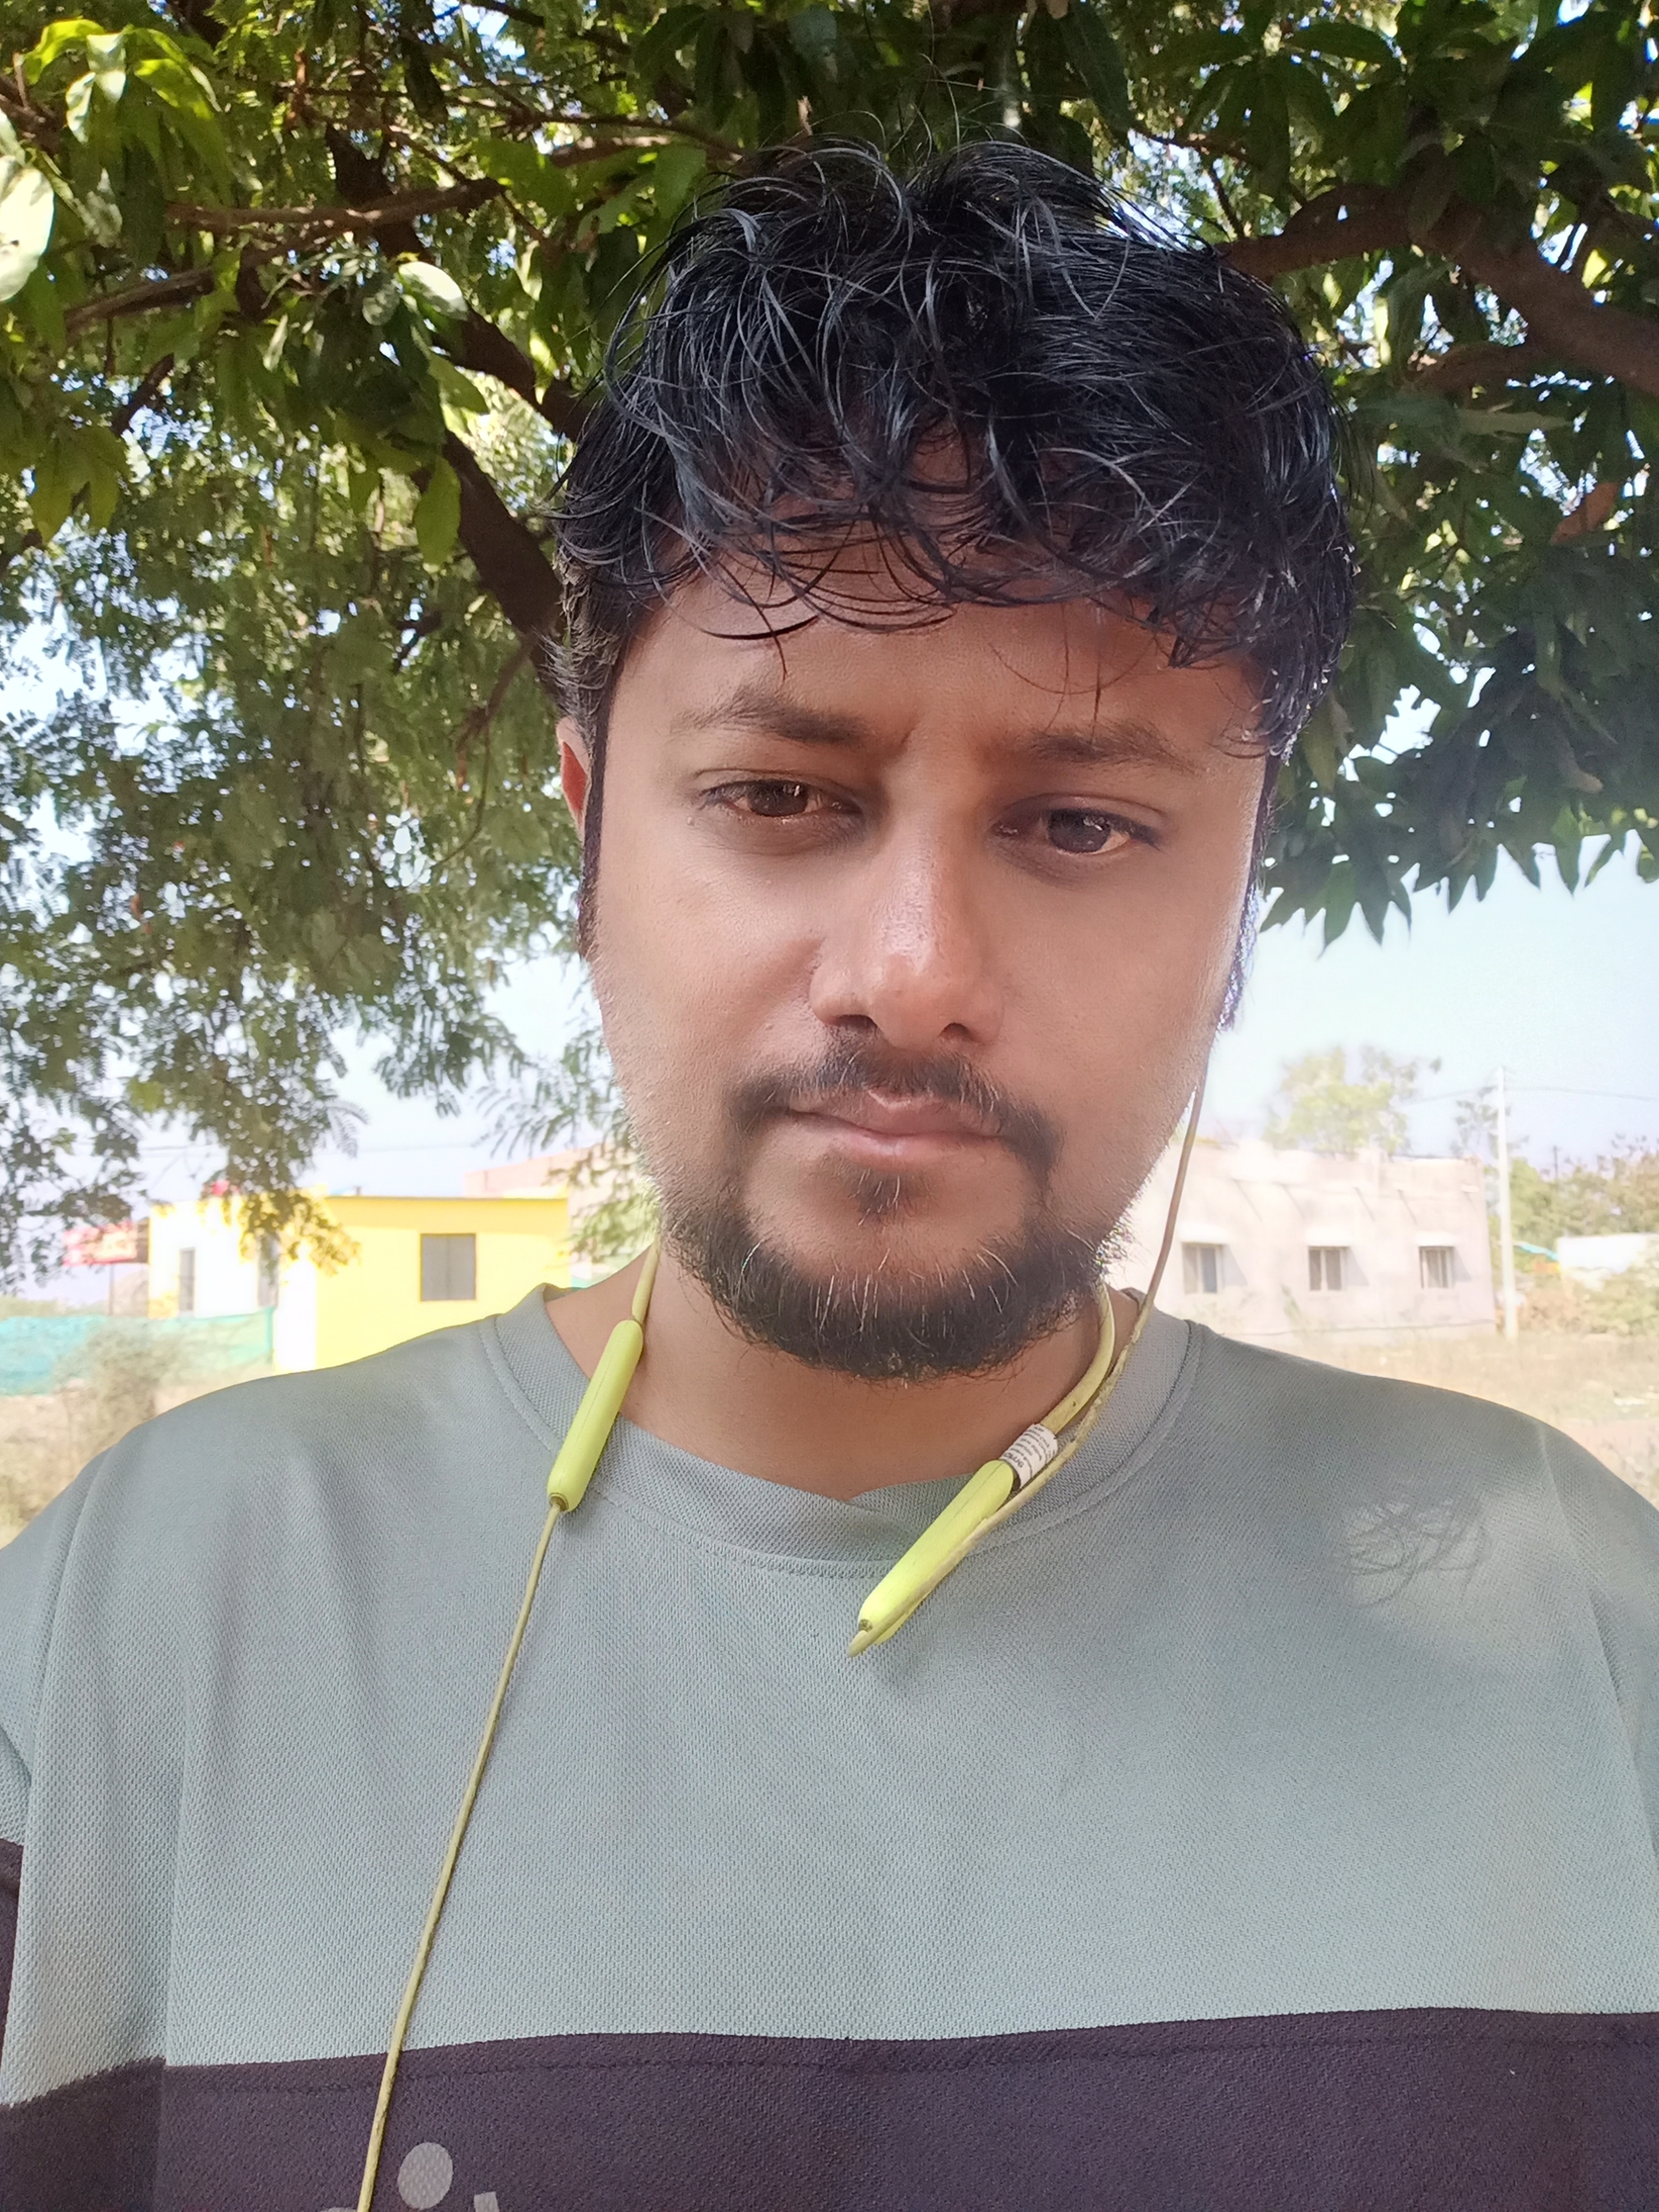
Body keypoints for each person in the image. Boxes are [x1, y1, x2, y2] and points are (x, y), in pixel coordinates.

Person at [2, 141, 1656, 2212]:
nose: (914, 973)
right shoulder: (122, 1639)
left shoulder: (1588, 1646)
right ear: (590, 830)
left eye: (1080, 825)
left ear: (1245, 899)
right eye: (782, 793)